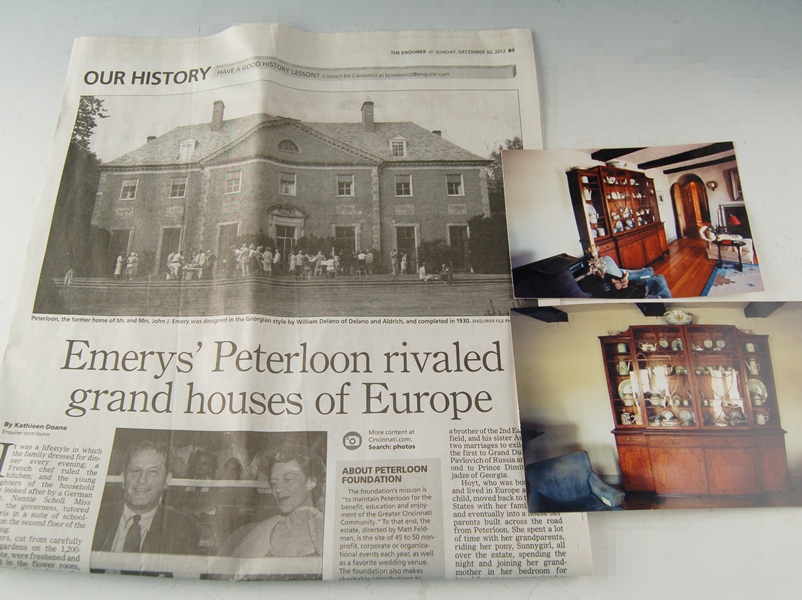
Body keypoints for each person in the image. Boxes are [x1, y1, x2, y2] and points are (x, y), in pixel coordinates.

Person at [92, 440, 200, 555]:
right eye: (135, 471)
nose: (142, 480)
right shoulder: (96, 516)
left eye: (153, 472)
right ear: (123, 478)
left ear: (167, 480)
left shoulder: (183, 527)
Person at [221, 445, 324, 558]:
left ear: (311, 481)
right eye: (274, 482)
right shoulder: (264, 530)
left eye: (288, 479)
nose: (278, 489)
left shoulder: (330, 527)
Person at [581, 253, 672, 299]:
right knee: (659, 278)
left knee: (655, 275)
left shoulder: (605, 277)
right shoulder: (600, 290)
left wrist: (621, 279)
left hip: (639, 286)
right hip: (645, 295)